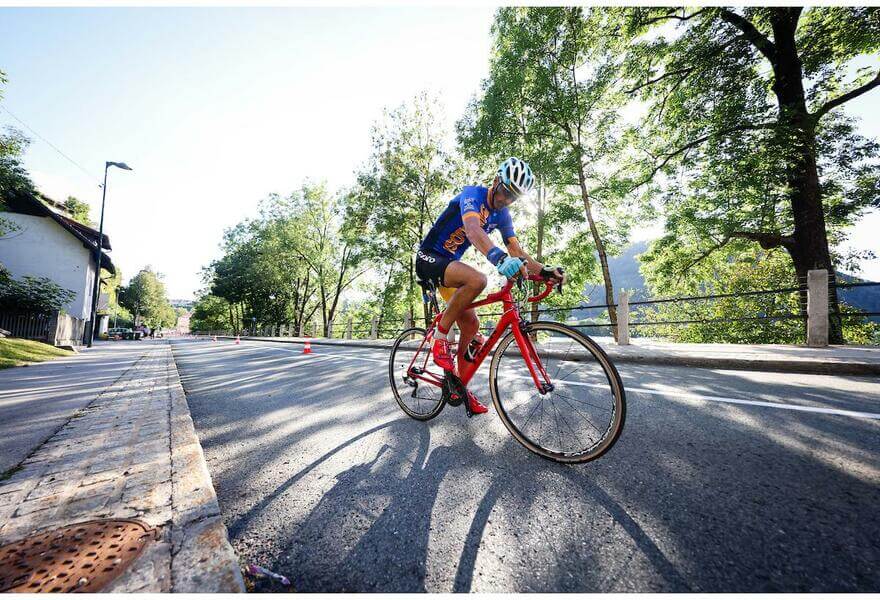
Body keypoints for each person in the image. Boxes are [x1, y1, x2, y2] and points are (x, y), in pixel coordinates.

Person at [415, 157, 565, 415]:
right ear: (496, 181)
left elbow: (516, 251)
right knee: (478, 280)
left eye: (514, 198)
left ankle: (460, 387)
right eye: (506, 192)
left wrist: (544, 271)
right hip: (429, 258)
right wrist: (499, 258)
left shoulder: (503, 214)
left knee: (471, 326)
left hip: (449, 264)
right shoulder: (472, 195)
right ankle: (439, 338)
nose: (507, 200)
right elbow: (473, 230)